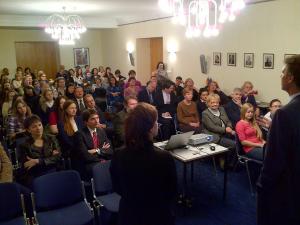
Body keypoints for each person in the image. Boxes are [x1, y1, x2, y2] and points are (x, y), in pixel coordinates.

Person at [110, 103, 177, 225]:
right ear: (151, 128)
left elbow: (117, 187)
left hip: (129, 214)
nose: (157, 124)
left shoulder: (118, 155)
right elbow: (171, 192)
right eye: (156, 121)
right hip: (157, 215)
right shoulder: (164, 158)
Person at [257, 55, 300, 225]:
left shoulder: (283, 114)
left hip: (286, 189)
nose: (280, 76)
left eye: (283, 73)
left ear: (290, 78)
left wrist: (262, 185)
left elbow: (275, 159)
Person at [17, 115, 61, 188]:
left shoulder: (51, 139)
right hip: (36, 176)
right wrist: (50, 158)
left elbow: (58, 157)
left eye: (40, 125)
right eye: (34, 127)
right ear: (28, 130)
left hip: (53, 171)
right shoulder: (24, 146)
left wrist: (37, 161)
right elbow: (28, 166)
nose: (38, 128)